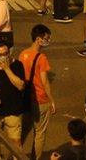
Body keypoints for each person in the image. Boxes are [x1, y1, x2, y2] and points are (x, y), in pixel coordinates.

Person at [20, 25, 56, 159]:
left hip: (26, 99)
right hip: (40, 99)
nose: (48, 41)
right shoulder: (41, 58)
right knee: (39, 133)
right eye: (46, 38)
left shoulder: (23, 54)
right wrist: (51, 100)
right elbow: (45, 82)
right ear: (38, 39)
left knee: (23, 130)